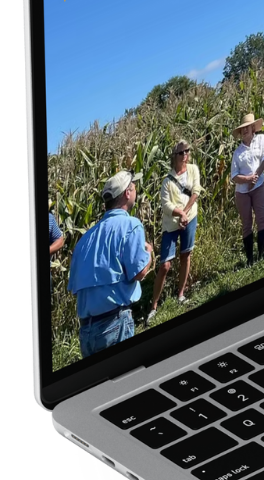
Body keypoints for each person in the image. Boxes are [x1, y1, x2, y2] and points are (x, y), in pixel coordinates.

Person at [67, 170, 153, 357]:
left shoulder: (84, 240)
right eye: (134, 186)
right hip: (114, 324)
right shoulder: (131, 225)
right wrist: (149, 254)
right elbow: (138, 272)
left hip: (86, 333)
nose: (136, 190)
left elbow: (74, 287)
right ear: (127, 193)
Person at [150, 141, 202, 316]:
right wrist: (180, 214)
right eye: (181, 153)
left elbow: (196, 191)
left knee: (186, 254)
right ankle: (153, 306)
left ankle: (180, 294)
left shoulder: (194, 169)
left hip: (190, 217)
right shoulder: (167, 181)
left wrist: (185, 214)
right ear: (175, 156)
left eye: (187, 151)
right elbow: (165, 205)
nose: (185, 155)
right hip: (171, 225)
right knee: (165, 264)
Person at [230, 113, 264, 265]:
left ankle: (262, 253)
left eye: (247, 127)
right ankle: (250, 259)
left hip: (258, 185)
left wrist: (255, 177)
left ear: (253, 128)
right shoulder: (237, 153)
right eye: (242, 129)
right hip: (242, 192)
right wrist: (247, 180)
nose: (245, 130)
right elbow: (234, 176)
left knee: (261, 217)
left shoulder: (261, 139)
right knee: (246, 223)